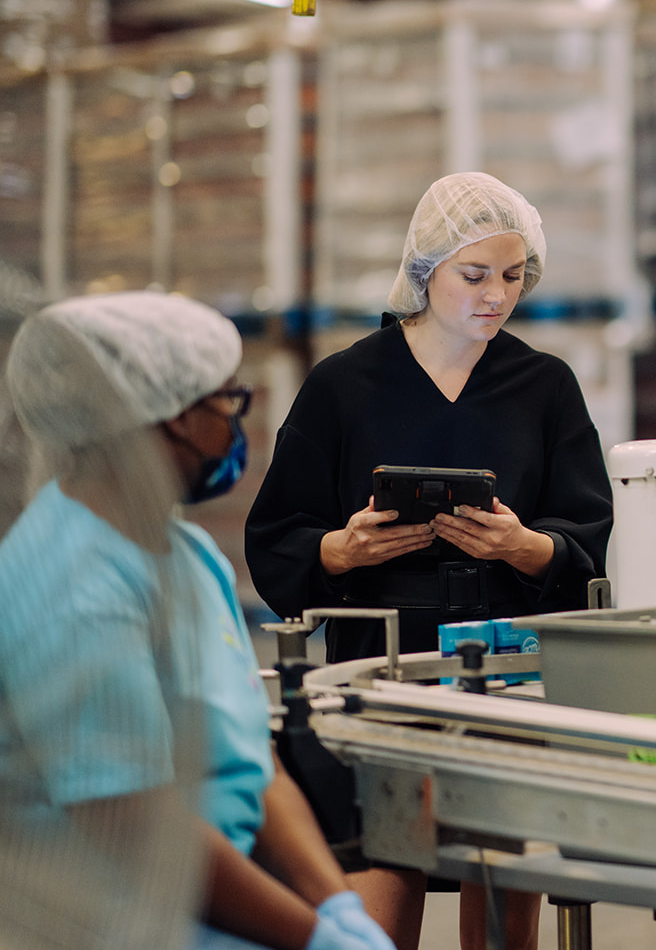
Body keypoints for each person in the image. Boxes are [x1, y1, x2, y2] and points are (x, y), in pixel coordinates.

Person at [0, 291, 396, 950]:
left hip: (204, 902)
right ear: (172, 419)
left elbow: (252, 759)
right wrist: (311, 939)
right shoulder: (72, 586)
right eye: (228, 403)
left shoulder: (180, 554)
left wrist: (338, 907)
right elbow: (136, 825)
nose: (237, 427)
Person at [244, 172, 614, 950]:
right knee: (377, 911)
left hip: (508, 683)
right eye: (474, 275)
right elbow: (278, 531)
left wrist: (526, 545)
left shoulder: (544, 386)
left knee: (500, 905)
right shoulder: (344, 386)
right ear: (424, 271)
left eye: (513, 276)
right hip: (378, 683)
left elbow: (588, 535)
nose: (496, 296)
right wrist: (340, 550)